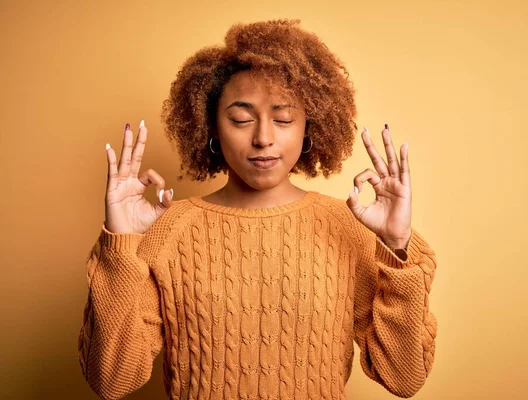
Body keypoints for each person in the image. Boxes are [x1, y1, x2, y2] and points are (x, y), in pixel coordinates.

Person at [77, 19, 437, 400]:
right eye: (241, 119)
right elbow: (112, 381)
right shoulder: (169, 230)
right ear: (212, 127)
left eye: (283, 119)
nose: (263, 138)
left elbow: (403, 377)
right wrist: (121, 245)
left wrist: (397, 245)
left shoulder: (348, 229)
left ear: (308, 126)